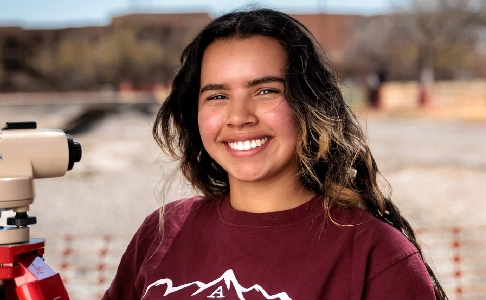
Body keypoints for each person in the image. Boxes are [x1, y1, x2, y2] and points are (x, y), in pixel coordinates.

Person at [102, 8, 447, 300]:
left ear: (308, 102)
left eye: (265, 91)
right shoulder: (161, 232)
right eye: (217, 96)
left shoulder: (378, 257)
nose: (239, 117)